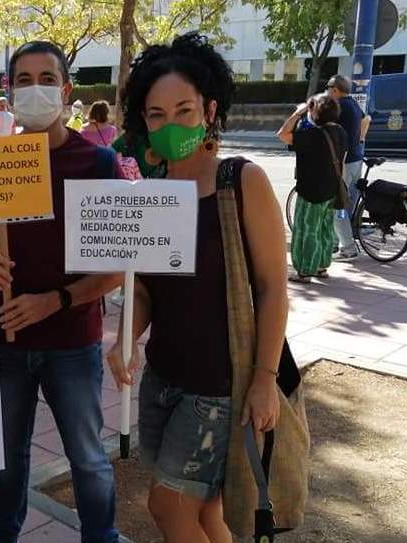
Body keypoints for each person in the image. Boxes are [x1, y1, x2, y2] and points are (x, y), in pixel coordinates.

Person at [106, 33, 287, 543]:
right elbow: (142, 288)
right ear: (143, 121)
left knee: (168, 508)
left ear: (209, 110)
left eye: (183, 110)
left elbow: (274, 287)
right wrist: (124, 338)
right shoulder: (150, 193)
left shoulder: (241, 182)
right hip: (163, 380)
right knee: (207, 515)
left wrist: (264, 379)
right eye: (156, 115)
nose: (170, 125)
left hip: (217, 389)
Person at [0, 41, 122, 543]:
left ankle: (101, 537)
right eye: (24, 80)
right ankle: (0, 536)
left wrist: (55, 301)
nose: (36, 89)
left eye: (47, 78)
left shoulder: (98, 163)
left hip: (73, 342)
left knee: (88, 458)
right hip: (6, 341)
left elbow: (118, 269)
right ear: (8, 91)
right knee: (6, 459)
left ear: (67, 89)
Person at [278, 93, 347, 283]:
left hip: (311, 190)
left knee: (306, 230)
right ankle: (321, 266)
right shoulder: (340, 131)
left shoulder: (311, 135)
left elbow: (282, 134)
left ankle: (305, 270)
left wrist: (297, 114)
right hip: (332, 189)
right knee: (325, 229)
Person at [326, 74, 370, 261]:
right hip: (356, 160)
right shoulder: (352, 104)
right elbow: (367, 119)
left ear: (335, 89)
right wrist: (360, 138)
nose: (327, 91)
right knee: (347, 202)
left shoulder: (338, 106)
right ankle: (335, 243)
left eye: (328, 88)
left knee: (338, 206)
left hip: (344, 163)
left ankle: (349, 249)